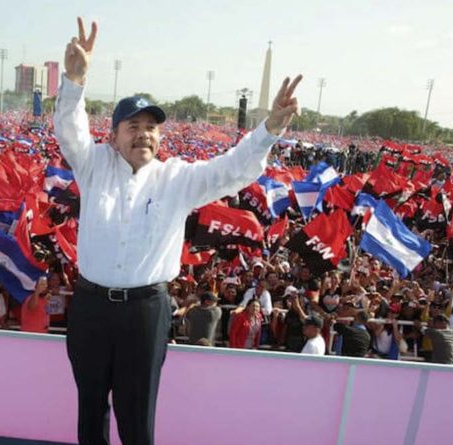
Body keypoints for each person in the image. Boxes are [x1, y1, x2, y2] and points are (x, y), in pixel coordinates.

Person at [57, 17, 302, 445]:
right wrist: (75, 80)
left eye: (151, 127)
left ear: (160, 136)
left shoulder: (178, 179)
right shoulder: (93, 164)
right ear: (113, 136)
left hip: (145, 312)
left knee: (138, 416)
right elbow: (70, 131)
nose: (143, 135)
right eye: (132, 126)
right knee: (90, 409)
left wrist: (270, 129)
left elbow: (232, 169)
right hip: (91, 307)